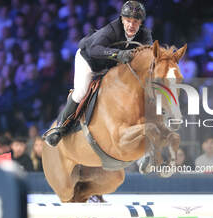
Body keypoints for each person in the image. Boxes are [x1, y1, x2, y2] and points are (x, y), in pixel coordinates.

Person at [44, 1, 152, 147]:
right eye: (128, 20)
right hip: (89, 60)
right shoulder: (112, 29)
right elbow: (94, 49)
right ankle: (60, 128)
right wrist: (118, 54)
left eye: (135, 21)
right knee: (81, 91)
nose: (131, 25)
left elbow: (147, 57)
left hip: (111, 66)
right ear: (122, 19)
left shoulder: (145, 35)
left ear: (140, 22)